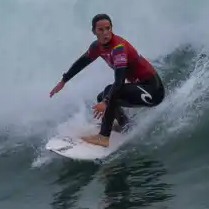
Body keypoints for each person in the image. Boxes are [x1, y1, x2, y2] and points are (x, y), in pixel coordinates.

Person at [49, 13, 165, 147]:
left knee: (109, 93)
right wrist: (63, 80)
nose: (105, 33)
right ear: (94, 31)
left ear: (112, 28)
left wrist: (106, 102)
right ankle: (125, 125)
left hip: (153, 91)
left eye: (108, 28)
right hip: (140, 86)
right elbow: (82, 62)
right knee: (102, 96)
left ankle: (103, 138)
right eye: (101, 30)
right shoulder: (97, 47)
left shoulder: (118, 48)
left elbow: (119, 82)